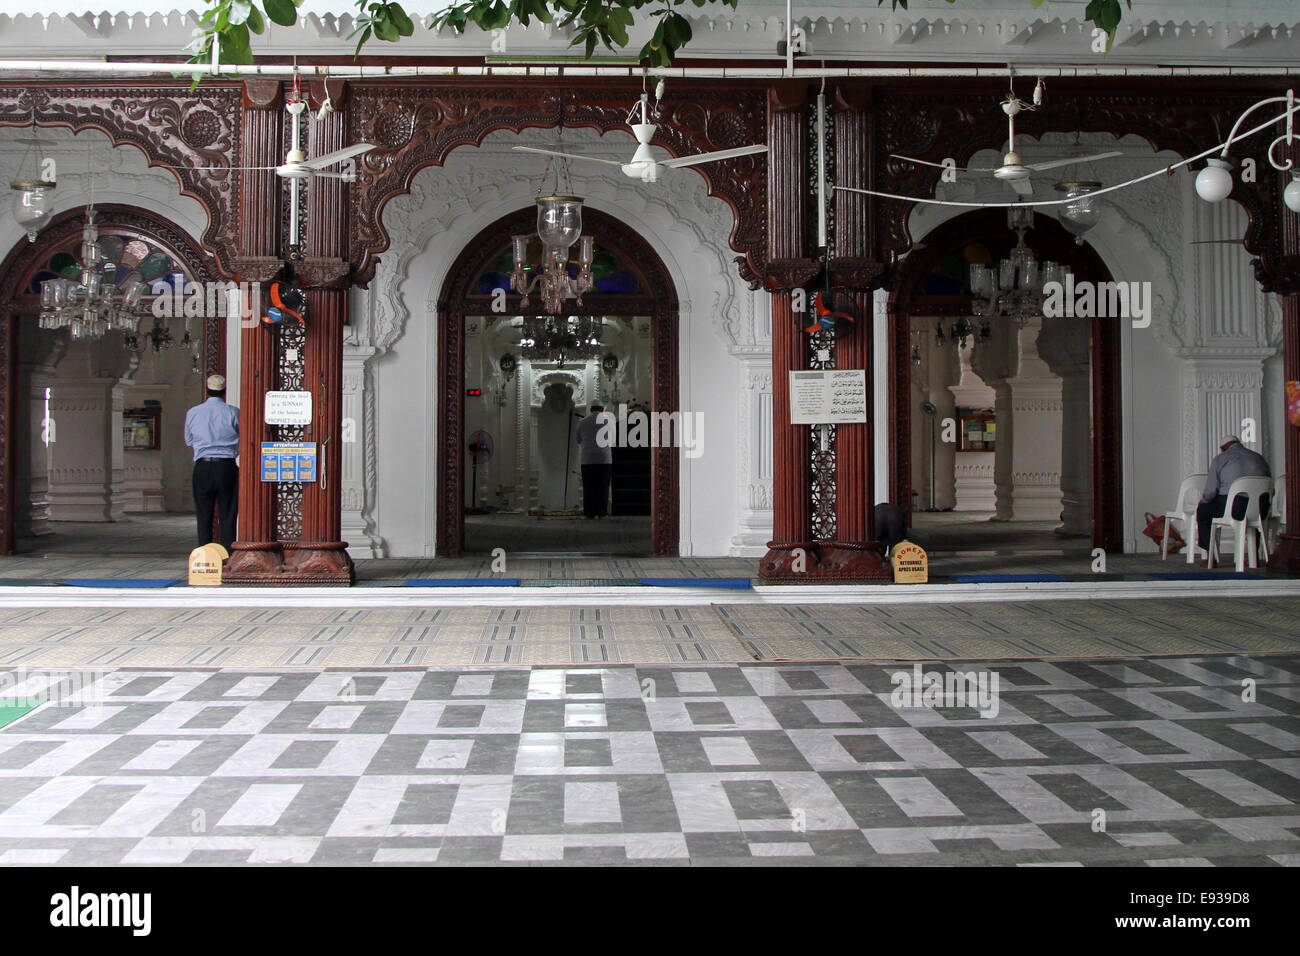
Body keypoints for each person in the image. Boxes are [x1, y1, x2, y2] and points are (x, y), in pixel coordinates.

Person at [185, 374, 240, 552]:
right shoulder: (233, 412)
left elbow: (189, 440)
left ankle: (204, 554)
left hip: (203, 466)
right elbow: (243, 437)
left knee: (204, 514)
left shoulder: (193, 413)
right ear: (224, 392)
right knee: (228, 514)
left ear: (206, 391)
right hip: (226, 467)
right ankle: (227, 555)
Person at [1196, 435, 1270, 559]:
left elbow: (1210, 492)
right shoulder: (1259, 458)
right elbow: (1270, 488)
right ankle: (1254, 556)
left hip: (1235, 509)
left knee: (1203, 511)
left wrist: (1203, 501)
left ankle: (1209, 556)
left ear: (1222, 448)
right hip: (1261, 510)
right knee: (1254, 509)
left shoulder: (1220, 459)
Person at [576, 403, 613, 519]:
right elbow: (613, 439)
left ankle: (589, 512)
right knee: (603, 486)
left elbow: (578, 440)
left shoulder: (582, 422)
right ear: (602, 410)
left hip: (587, 459)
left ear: (591, 409)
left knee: (589, 486)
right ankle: (602, 512)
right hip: (604, 459)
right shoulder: (608, 421)